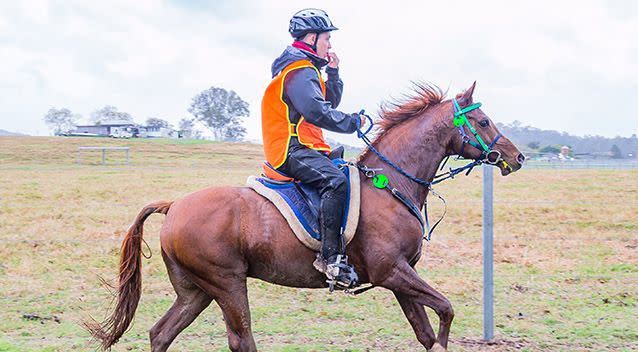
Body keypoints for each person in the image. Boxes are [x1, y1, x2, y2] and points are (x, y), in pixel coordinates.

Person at [261, 8, 365, 289]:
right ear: (311, 38)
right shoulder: (298, 71)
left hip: (306, 146)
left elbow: (328, 101)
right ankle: (331, 260)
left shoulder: (305, 70)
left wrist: (333, 72)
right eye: (327, 39)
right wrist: (353, 122)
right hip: (291, 149)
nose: (330, 45)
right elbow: (318, 112)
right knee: (335, 182)